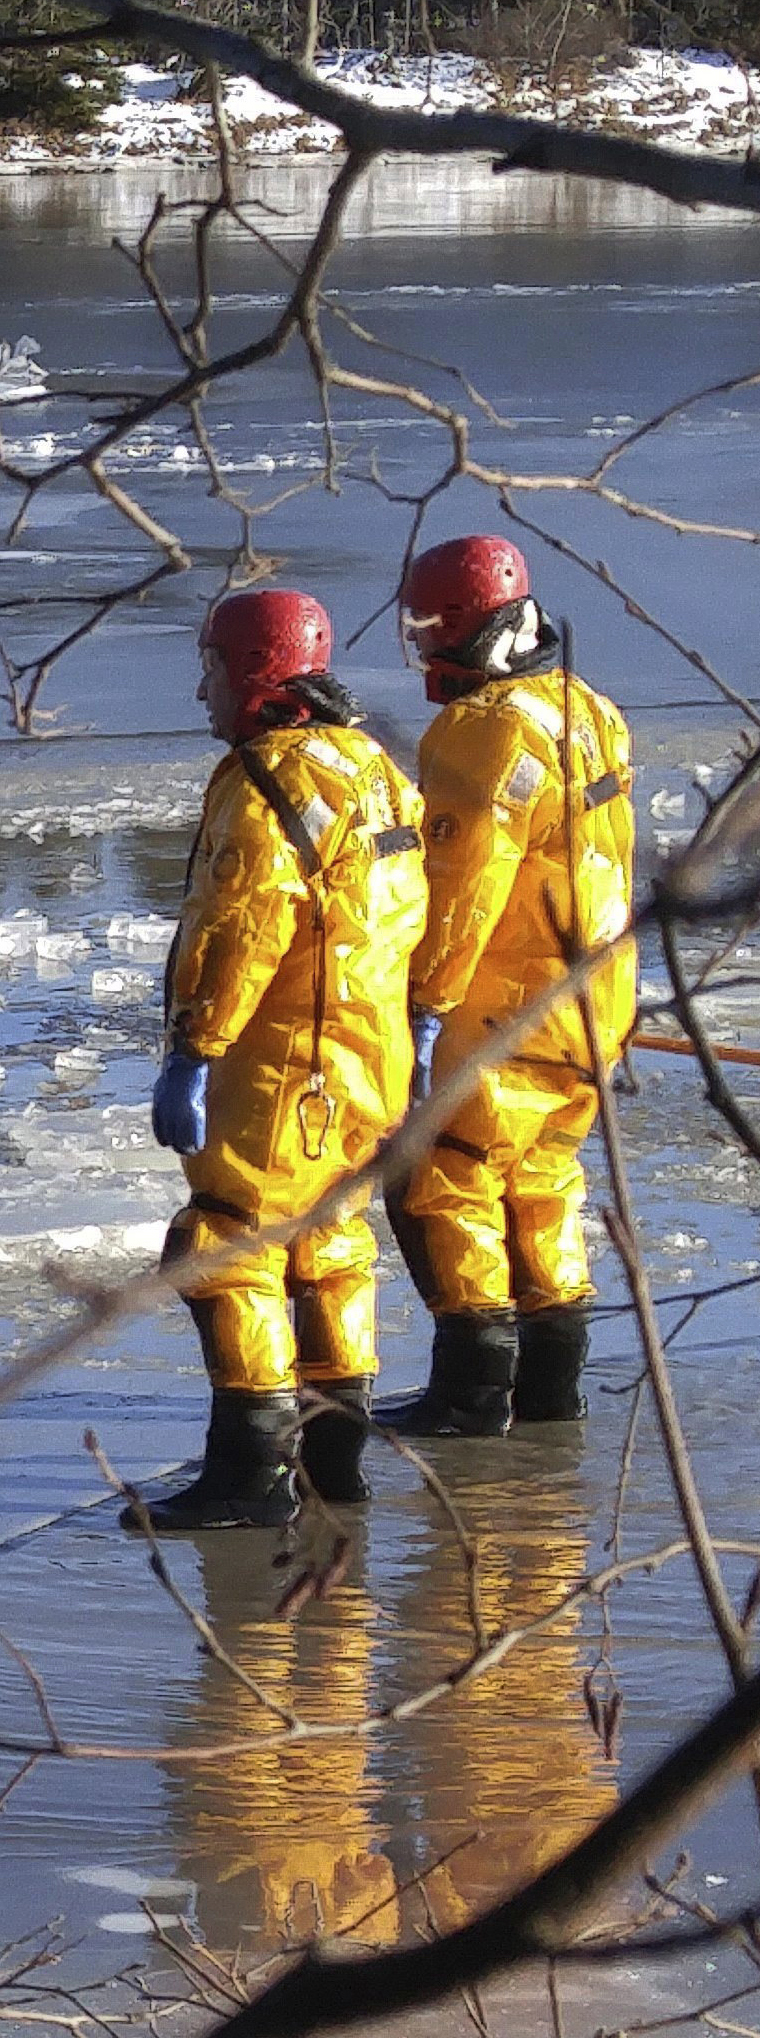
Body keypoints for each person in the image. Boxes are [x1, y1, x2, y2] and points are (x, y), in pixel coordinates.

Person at [144, 589, 429, 1530]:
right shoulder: (372, 766)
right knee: (334, 1244)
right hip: (367, 1058)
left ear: (254, 672)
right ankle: (334, 1460)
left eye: (214, 670)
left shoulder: (264, 778)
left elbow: (242, 926)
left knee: (229, 1240)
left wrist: (196, 1046)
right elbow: (412, 910)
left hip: (281, 1070)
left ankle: (252, 1475)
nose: (199, 693)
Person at [388, 535, 636, 1436]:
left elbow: (465, 888)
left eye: (424, 626)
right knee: (544, 1178)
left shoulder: (481, 731)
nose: (417, 646)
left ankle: (472, 1390)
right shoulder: (588, 707)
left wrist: (425, 1005)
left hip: (501, 1001)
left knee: (454, 1175)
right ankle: (550, 1388)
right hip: (590, 996)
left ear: (458, 625)